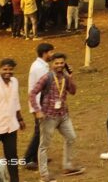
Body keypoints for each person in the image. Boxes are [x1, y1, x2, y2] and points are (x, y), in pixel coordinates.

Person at [28, 53, 85, 181]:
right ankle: (44, 175)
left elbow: (73, 91)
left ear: (65, 64)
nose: (59, 65)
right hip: (48, 117)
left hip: (63, 115)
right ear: (52, 64)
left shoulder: (65, 77)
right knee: (44, 146)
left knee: (71, 138)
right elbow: (32, 93)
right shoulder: (46, 78)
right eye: (57, 63)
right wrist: (37, 110)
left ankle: (67, 166)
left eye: (62, 63)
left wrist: (71, 77)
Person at [23, 43, 54, 171]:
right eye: (51, 52)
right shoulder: (39, 68)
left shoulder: (41, 65)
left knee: (42, 131)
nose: (52, 55)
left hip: (39, 103)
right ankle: (28, 159)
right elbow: (39, 89)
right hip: (39, 104)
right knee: (39, 132)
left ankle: (37, 156)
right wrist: (37, 109)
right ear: (45, 53)